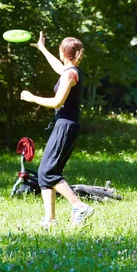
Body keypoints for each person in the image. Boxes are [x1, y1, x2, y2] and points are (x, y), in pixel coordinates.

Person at [20, 31, 94, 229]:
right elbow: (59, 68)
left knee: (47, 172)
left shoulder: (70, 74)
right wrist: (43, 49)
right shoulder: (70, 71)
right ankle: (49, 220)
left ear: (62, 52)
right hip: (67, 125)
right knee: (48, 171)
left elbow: (56, 102)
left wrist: (32, 97)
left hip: (65, 126)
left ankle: (79, 206)